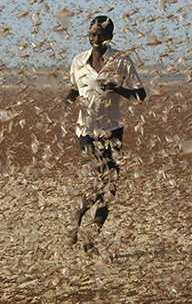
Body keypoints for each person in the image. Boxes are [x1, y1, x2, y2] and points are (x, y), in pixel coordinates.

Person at [64, 15, 146, 253]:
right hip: (86, 131)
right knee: (101, 179)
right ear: (88, 36)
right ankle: (77, 219)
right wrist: (66, 102)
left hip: (112, 130)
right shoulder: (78, 61)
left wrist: (116, 89)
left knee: (110, 190)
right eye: (92, 34)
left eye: (101, 35)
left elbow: (141, 95)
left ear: (110, 36)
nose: (96, 39)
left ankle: (88, 236)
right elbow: (73, 89)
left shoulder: (121, 61)